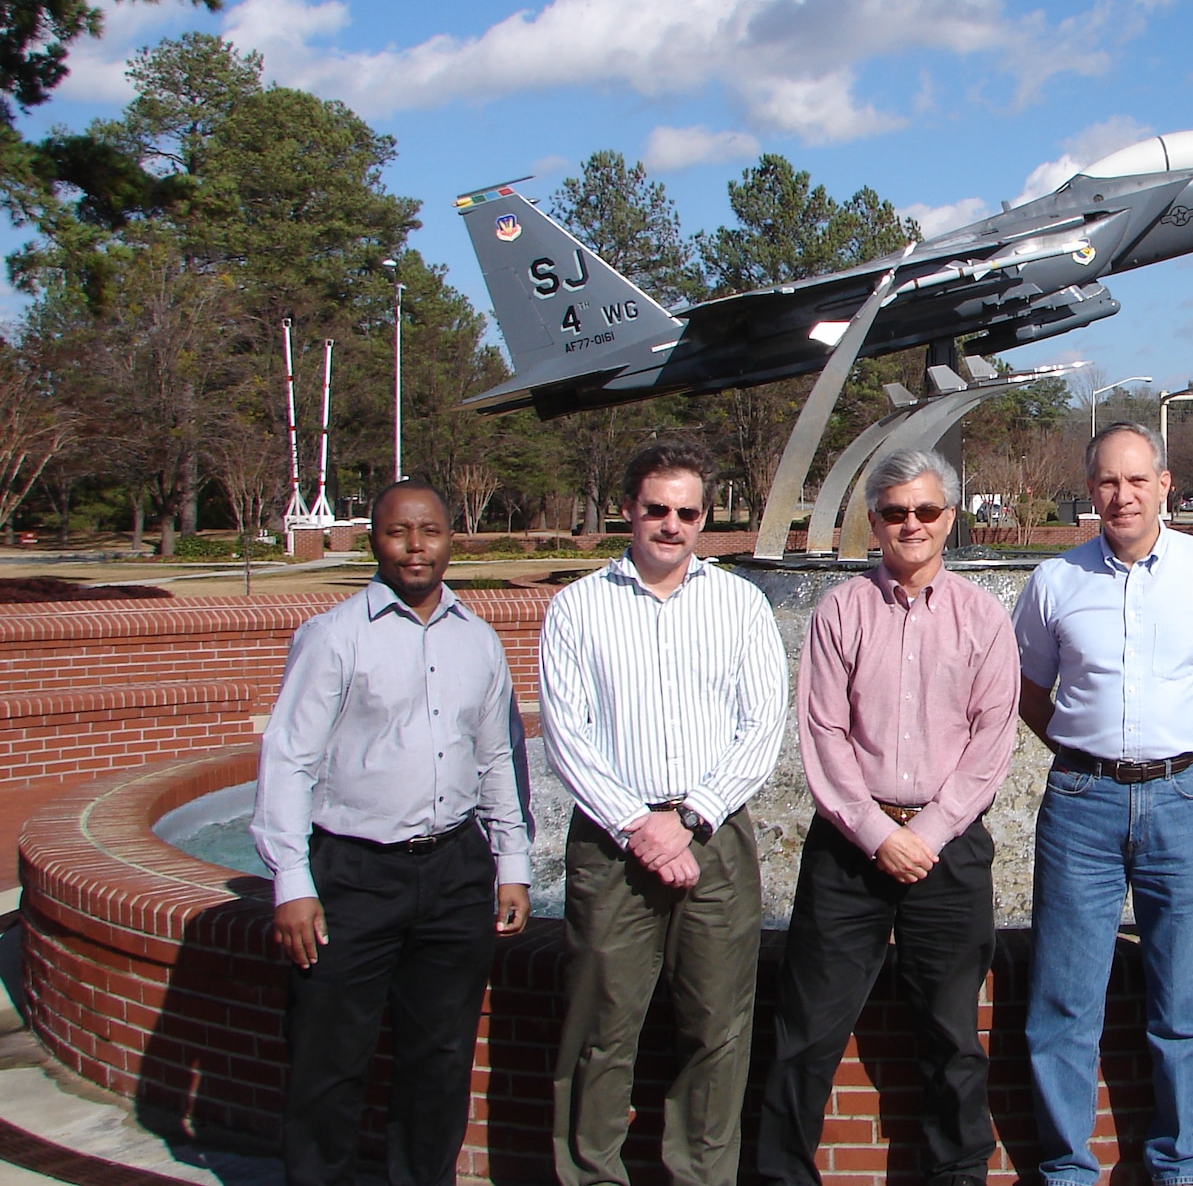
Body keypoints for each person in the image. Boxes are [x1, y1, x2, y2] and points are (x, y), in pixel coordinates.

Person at [252, 480, 532, 1186]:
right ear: (374, 538)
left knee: (438, 1063)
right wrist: (291, 881)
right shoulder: (332, 637)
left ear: (449, 539)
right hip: (353, 874)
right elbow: (289, 760)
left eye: (430, 531)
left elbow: (498, 756)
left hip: (453, 872)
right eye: (399, 531)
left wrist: (512, 863)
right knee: (328, 1062)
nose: (416, 546)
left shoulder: (479, 639)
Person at [756, 448, 1019, 1186]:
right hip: (848, 848)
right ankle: (780, 1176)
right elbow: (823, 735)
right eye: (896, 511)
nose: (912, 523)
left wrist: (926, 834)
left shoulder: (983, 618)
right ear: (873, 521)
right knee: (807, 1031)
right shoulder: (840, 610)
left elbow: (990, 742)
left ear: (950, 518)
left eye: (926, 510)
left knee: (952, 1037)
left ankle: (957, 1174)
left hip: (949, 851)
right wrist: (877, 831)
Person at [540, 441, 789, 1186]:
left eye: (687, 512)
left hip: (713, 838)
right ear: (629, 509)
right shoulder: (578, 607)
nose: (671, 524)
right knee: (601, 1027)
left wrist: (691, 817)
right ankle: (591, 1175)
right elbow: (566, 734)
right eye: (657, 509)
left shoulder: (741, 602)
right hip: (613, 844)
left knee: (717, 1029)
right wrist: (639, 825)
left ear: (704, 517)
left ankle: (701, 1177)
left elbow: (763, 725)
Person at [1013, 422, 1193, 1186]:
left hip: (1183, 799)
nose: (1123, 495)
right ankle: (1066, 1167)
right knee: (1063, 999)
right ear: (1091, 492)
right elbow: (1027, 689)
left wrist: (1192, 748)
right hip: (1080, 805)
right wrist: (1082, 754)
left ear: (1165, 484)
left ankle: (1178, 1160)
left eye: (1136, 479)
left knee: (1184, 998)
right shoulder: (1054, 581)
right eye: (1107, 482)